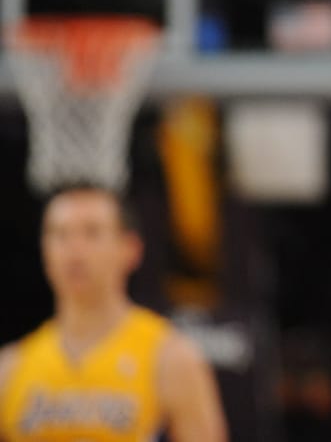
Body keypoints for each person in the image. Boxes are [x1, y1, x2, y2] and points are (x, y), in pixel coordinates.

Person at [0, 182, 229, 442]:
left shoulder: (170, 358)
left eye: (92, 232)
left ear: (130, 249)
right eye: (60, 234)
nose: (74, 250)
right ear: (44, 250)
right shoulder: (11, 367)